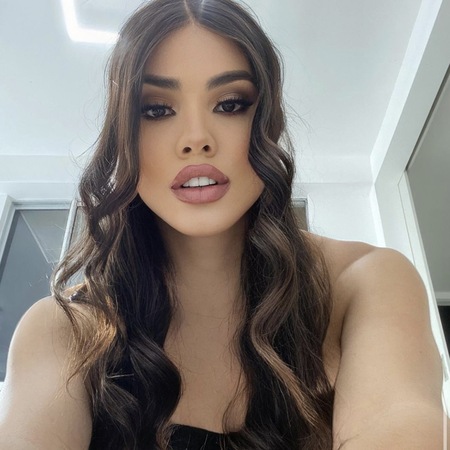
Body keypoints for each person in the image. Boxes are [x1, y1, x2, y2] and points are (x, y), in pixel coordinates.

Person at [0, 0, 447, 448]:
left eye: (230, 104)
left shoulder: (364, 284)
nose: (197, 139)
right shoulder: (61, 331)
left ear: (268, 121)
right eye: (156, 109)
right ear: (123, 134)